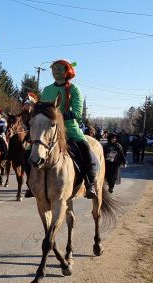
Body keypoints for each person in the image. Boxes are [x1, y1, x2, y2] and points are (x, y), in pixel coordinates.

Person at [40, 59, 98, 199]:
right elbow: (41, 109)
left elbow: (78, 113)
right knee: (31, 149)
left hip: (70, 129)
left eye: (59, 69)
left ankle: (89, 184)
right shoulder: (47, 90)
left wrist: (59, 115)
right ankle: (32, 184)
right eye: (54, 69)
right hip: (48, 129)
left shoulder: (74, 89)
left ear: (67, 72)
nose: (55, 72)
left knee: (85, 149)